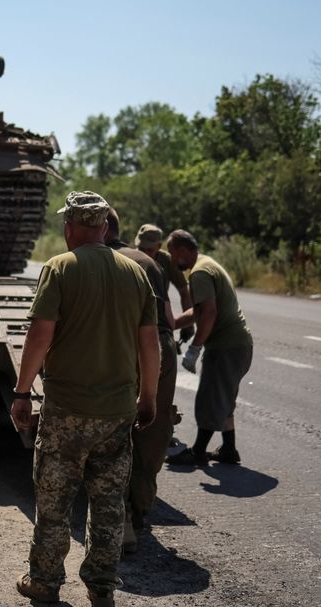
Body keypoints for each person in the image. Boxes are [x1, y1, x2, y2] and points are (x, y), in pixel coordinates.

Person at [10, 191, 159, 607]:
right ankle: (102, 587)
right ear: (106, 227)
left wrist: (22, 392)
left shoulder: (60, 267)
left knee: (54, 499)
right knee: (109, 503)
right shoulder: (135, 273)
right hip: (117, 411)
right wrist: (148, 397)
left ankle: (44, 581)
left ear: (71, 227)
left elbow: (39, 336)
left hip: (67, 410)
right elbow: (150, 345)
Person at [105, 210, 178, 554]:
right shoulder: (148, 262)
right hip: (163, 347)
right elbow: (165, 316)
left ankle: (122, 521)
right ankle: (140, 509)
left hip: (129, 345)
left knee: (116, 431)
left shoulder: (104, 260)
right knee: (154, 428)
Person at [165, 230, 253, 466]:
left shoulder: (200, 272)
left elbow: (210, 313)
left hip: (225, 347)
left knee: (208, 399)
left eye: (173, 254)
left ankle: (198, 452)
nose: (173, 260)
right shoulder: (208, 263)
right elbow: (199, 310)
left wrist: (195, 348)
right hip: (239, 346)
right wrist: (171, 323)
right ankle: (229, 449)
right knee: (224, 400)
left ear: (183, 250)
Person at [136, 224, 194, 344]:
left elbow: (184, 291)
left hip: (160, 313)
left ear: (159, 246)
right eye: (142, 249)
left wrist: (188, 325)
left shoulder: (167, 261)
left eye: (149, 250)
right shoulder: (130, 258)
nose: (145, 253)